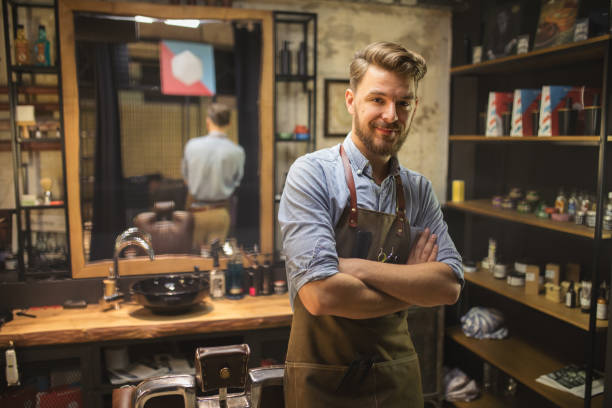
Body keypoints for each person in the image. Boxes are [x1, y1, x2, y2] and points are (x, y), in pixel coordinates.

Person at [278, 42, 463, 407]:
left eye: (403, 102)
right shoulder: (311, 174)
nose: (391, 115)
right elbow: (321, 295)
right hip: (324, 383)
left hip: (397, 379)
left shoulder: (418, 190)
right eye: (377, 99)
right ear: (351, 101)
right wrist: (411, 284)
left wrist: (355, 268)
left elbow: (448, 287)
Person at [182, 102, 245, 249]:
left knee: (194, 261)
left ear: (208, 121)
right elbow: (237, 181)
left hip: (195, 213)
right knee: (217, 261)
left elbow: (185, 178)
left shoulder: (192, 145)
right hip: (221, 213)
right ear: (229, 123)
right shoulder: (237, 151)